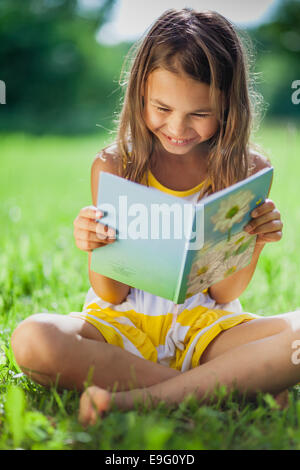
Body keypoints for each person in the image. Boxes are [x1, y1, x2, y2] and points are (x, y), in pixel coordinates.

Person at [11, 8, 299, 427]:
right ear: (139, 95)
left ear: (229, 107)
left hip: (206, 329)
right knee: (33, 339)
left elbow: (223, 293)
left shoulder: (248, 170)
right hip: (120, 328)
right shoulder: (115, 165)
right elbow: (110, 295)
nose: (177, 128)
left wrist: (252, 240)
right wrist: (96, 245)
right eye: (161, 108)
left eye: (199, 114)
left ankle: (144, 400)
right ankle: (228, 389)